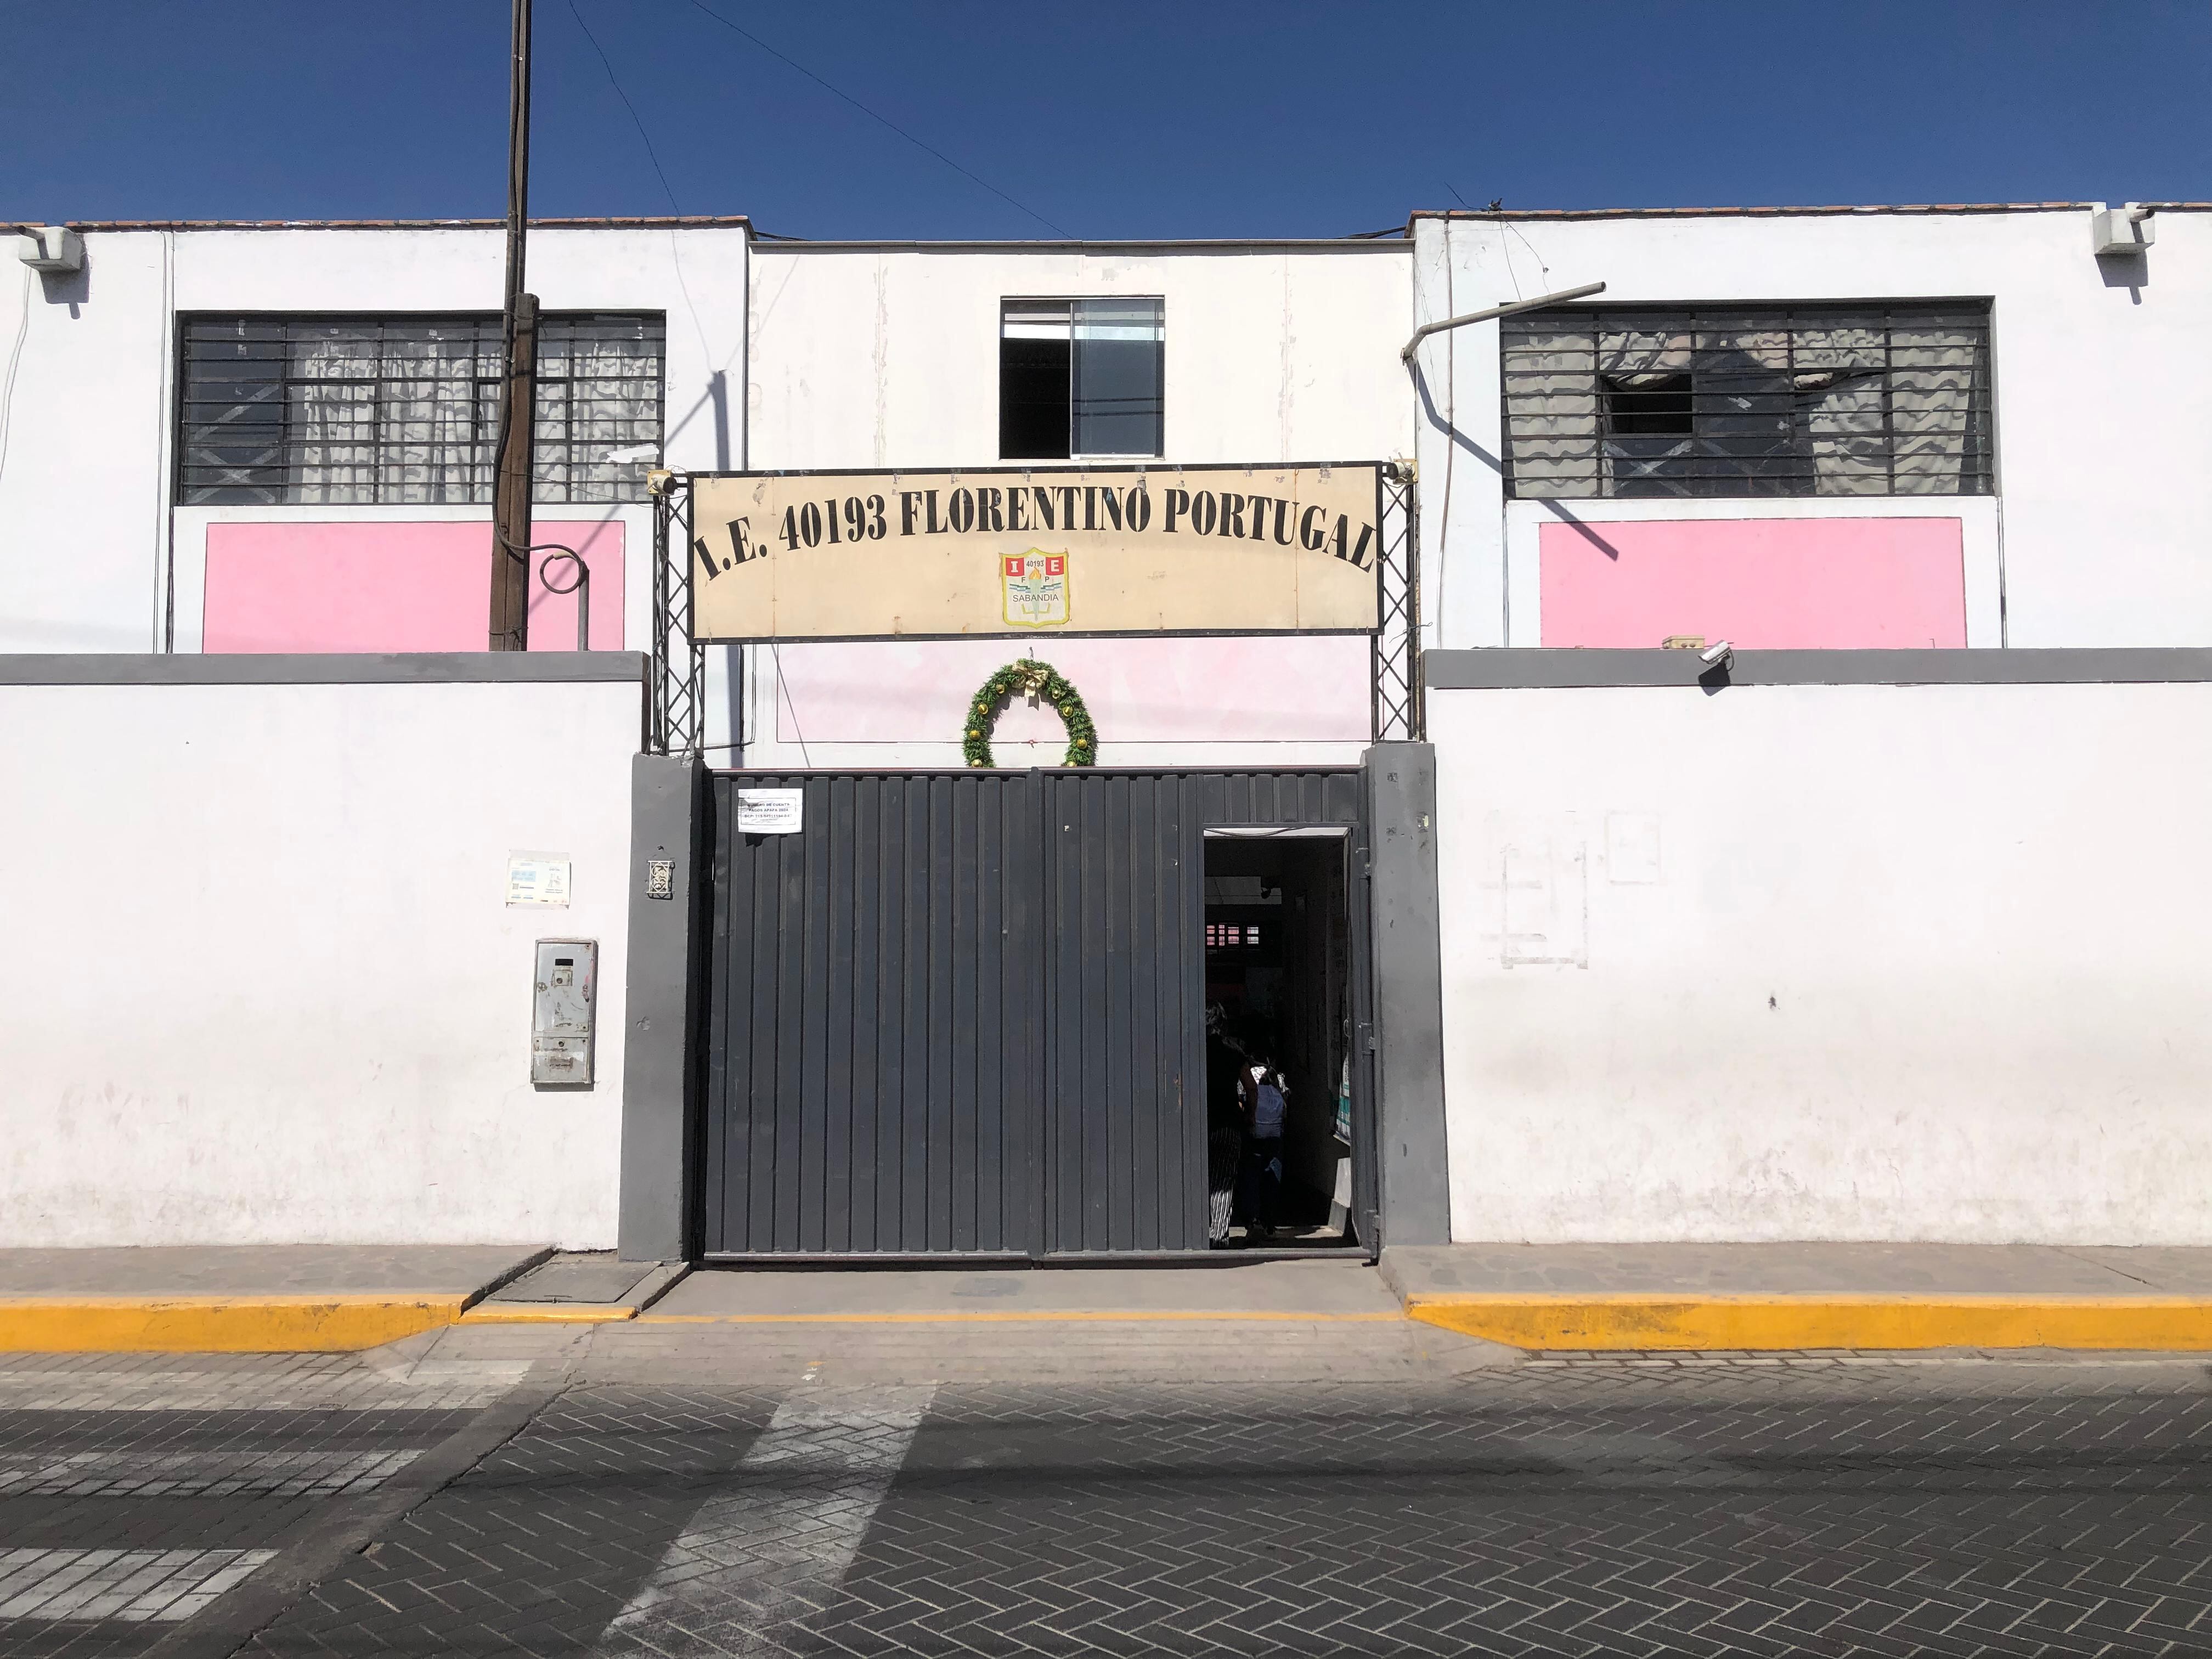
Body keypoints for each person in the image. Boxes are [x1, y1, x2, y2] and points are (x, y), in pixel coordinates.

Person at [1235, 1056, 1289, 1238]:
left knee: (1251, 1176)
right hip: (1275, 1137)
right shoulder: (1276, 1082)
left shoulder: (1247, 1078)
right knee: (1273, 1177)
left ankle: (1253, 1220)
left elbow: (1242, 1106)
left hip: (1254, 1134)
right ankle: (1270, 1223)